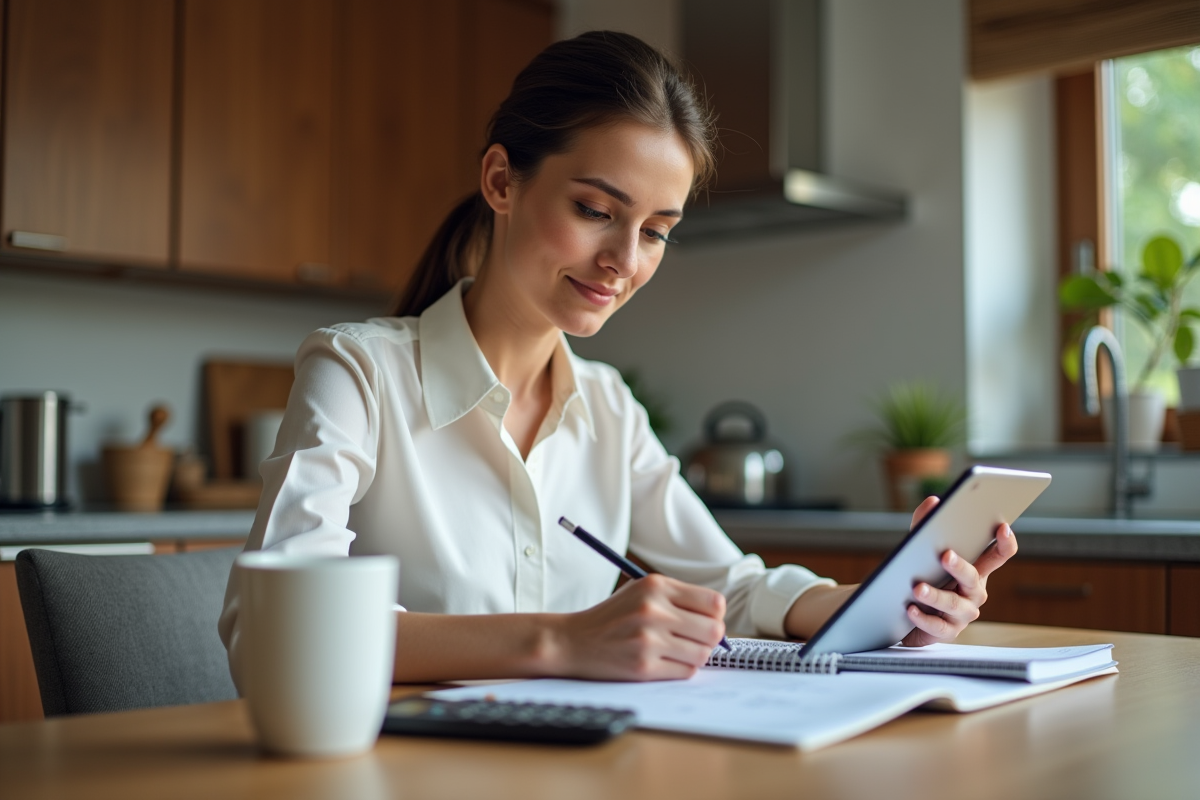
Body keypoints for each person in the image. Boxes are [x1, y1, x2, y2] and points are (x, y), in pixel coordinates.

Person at [219, 31, 1016, 685]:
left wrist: (890, 601)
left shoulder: (606, 407)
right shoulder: (358, 374)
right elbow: (275, 630)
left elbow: (729, 589)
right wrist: (560, 643)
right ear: (502, 180)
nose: (624, 261)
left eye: (657, 230)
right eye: (596, 210)